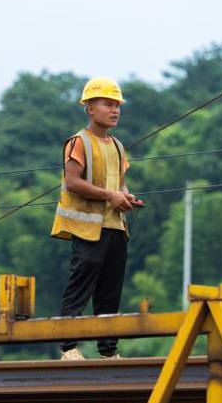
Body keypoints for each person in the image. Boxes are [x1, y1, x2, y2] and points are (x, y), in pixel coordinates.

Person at [50, 77, 143, 361]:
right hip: (88, 227)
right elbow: (73, 183)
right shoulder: (79, 142)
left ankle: (108, 351)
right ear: (90, 108)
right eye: (107, 104)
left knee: (110, 290)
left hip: (115, 225)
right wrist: (110, 196)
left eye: (117, 105)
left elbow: (119, 183)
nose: (114, 110)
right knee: (81, 283)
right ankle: (69, 347)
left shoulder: (117, 146)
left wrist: (125, 198)